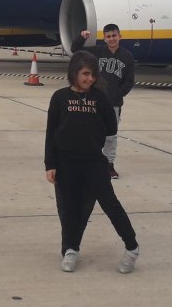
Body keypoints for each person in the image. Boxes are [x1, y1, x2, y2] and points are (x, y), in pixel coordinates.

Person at [45, 50, 139, 274]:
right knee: (70, 208)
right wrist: (50, 164)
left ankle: (132, 247)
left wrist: (91, 134)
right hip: (66, 163)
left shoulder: (100, 98)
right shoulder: (59, 97)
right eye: (85, 74)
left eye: (93, 75)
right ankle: (71, 250)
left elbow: (111, 127)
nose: (90, 79)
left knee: (111, 205)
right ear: (74, 72)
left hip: (94, 162)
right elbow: (51, 133)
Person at [71, 24, 135, 179]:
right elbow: (76, 51)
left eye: (114, 36)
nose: (111, 39)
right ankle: (89, 163)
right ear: (104, 38)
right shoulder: (97, 52)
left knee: (110, 135)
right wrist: (81, 37)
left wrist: (118, 94)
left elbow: (129, 80)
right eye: (108, 36)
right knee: (90, 133)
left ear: (120, 36)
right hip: (94, 101)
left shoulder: (127, 56)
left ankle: (109, 165)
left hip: (114, 103)